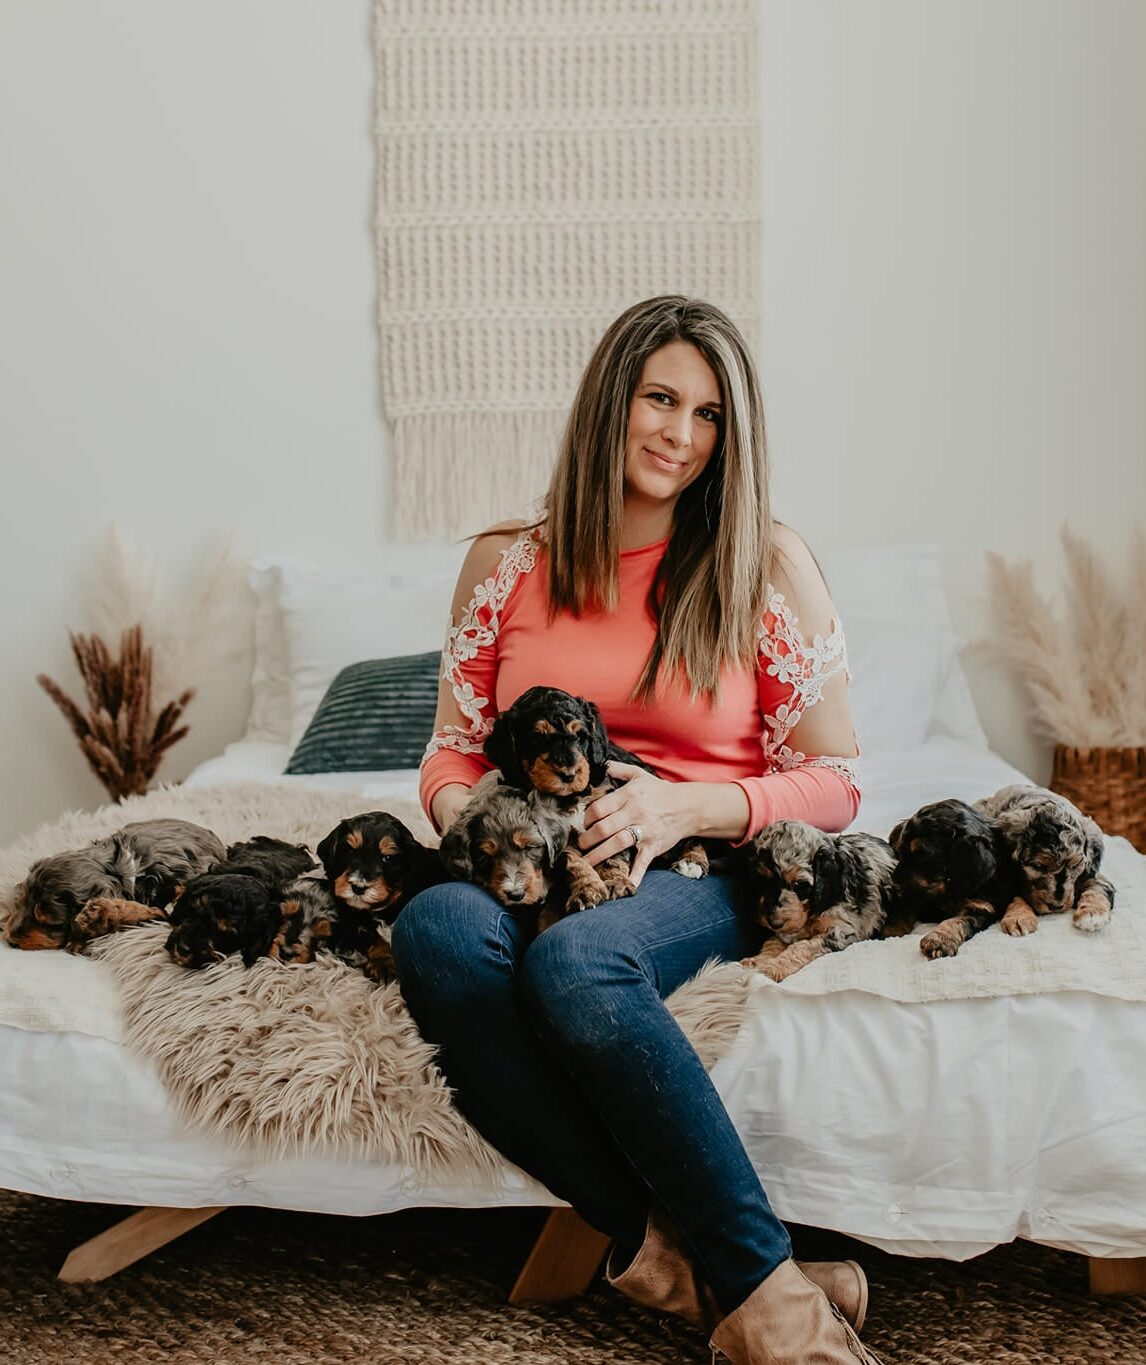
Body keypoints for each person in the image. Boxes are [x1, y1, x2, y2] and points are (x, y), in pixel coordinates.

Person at [392, 296, 882, 1364]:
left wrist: (686, 804)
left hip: (697, 861)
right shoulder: (505, 564)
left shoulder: (765, 564)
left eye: (709, 415)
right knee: (434, 932)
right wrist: (483, 830)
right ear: (611, 403)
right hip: (531, 855)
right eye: (660, 398)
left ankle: (767, 1301)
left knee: (576, 963)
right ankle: (680, 1258)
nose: (680, 434)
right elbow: (451, 749)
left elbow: (837, 782)